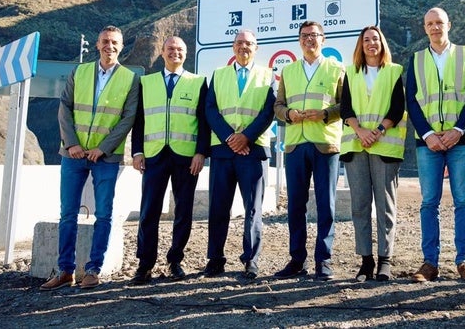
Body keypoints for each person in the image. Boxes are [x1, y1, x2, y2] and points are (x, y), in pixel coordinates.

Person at [40, 25, 140, 291]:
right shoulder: (80, 71)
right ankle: (65, 271)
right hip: (73, 155)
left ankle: (93, 270)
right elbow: (65, 109)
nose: (110, 46)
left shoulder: (130, 79)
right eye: (105, 41)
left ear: (122, 46)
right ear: (97, 44)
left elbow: (127, 119)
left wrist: (103, 148)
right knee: (67, 214)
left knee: (104, 215)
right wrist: (71, 143)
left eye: (115, 42)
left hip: (105, 158)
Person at [406, 7, 465, 283]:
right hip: (428, 144)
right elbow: (412, 102)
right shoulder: (415, 60)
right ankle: (430, 264)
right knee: (429, 203)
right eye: (430, 24)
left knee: (463, 201)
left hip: (461, 141)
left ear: (449, 24)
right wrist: (427, 134)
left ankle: (464, 261)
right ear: (424, 28)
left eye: (439, 22)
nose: (435, 27)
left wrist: (457, 131)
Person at [127, 36, 209, 285]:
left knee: (183, 211)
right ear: (162, 53)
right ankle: (145, 264)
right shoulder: (146, 82)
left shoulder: (198, 82)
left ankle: (175, 261)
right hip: (153, 156)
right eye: (171, 49)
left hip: (186, 157)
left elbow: (204, 122)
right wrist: (137, 151)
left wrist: (201, 153)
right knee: (149, 211)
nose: (176, 52)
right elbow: (139, 120)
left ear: (186, 54)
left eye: (180, 49)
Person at [273, 20, 344, 281]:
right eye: (304, 36)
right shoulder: (288, 71)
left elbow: (345, 106)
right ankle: (297, 259)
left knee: (326, 205)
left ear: (323, 40)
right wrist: (288, 114)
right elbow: (277, 105)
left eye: (314, 35)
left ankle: (323, 260)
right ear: (299, 40)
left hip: (325, 144)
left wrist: (325, 114)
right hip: (295, 145)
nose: (309, 40)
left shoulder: (336, 69)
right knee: (295, 206)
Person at [204, 29, 275, 279]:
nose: (244, 47)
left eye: (249, 43)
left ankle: (251, 260)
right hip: (224, 152)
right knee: (218, 208)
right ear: (233, 47)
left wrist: (246, 137)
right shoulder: (219, 75)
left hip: (253, 151)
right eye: (239, 43)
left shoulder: (268, 76)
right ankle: (215, 259)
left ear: (256, 48)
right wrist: (229, 137)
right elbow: (210, 110)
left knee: (253, 209)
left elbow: (269, 112)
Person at [340, 26, 406, 282]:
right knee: (359, 206)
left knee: (385, 206)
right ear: (361, 45)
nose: (371, 44)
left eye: (375, 39)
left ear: (382, 43)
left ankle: (385, 261)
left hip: (385, 147)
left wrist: (376, 131)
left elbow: (397, 108)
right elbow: (346, 108)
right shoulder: (351, 72)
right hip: (357, 147)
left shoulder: (394, 72)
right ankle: (366, 261)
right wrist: (360, 131)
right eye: (366, 40)